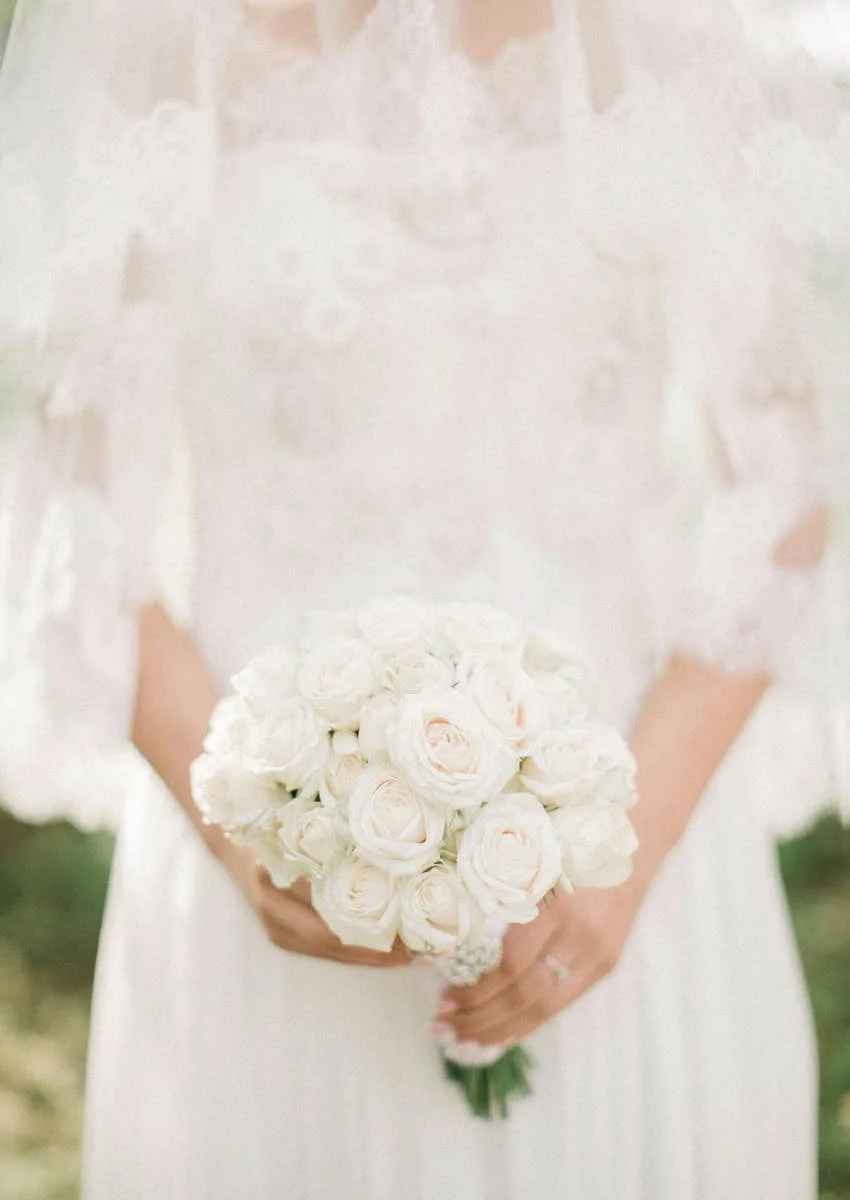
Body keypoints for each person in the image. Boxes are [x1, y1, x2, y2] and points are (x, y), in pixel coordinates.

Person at [0, 1, 848, 1196]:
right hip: (268, 901)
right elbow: (73, 522)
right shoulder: (150, 44)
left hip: (629, 873)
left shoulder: (673, 37)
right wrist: (255, 845)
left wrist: (621, 859)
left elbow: (787, 483)